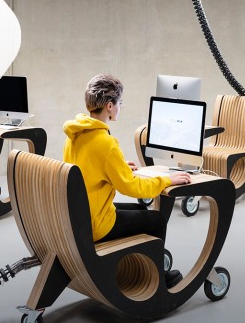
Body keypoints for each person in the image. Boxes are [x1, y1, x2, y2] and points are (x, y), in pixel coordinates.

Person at [63, 73, 191, 288]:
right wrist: (166, 180)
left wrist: (119, 167)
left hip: (82, 213)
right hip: (96, 224)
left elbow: (90, 168)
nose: (120, 107)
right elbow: (130, 187)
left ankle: (138, 265)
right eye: (119, 103)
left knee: (138, 211)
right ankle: (156, 277)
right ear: (110, 106)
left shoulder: (76, 134)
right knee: (157, 220)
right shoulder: (106, 142)